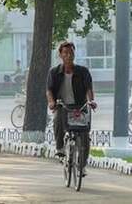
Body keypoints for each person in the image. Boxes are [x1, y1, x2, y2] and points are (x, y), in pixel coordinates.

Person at [46, 41, 97, 174]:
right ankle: (60, 148)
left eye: (71, 53)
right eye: (65, 53)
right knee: (57, 118)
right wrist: (52, 102)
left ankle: (82, 165)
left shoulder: (83, 71)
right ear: (60, 55)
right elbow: (49, 90)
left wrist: (90, 101)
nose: (69, 55)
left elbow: (88, 89)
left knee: (84, 135)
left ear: (74, 54)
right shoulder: (54, 72)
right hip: (62, 105)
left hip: (80, 107)